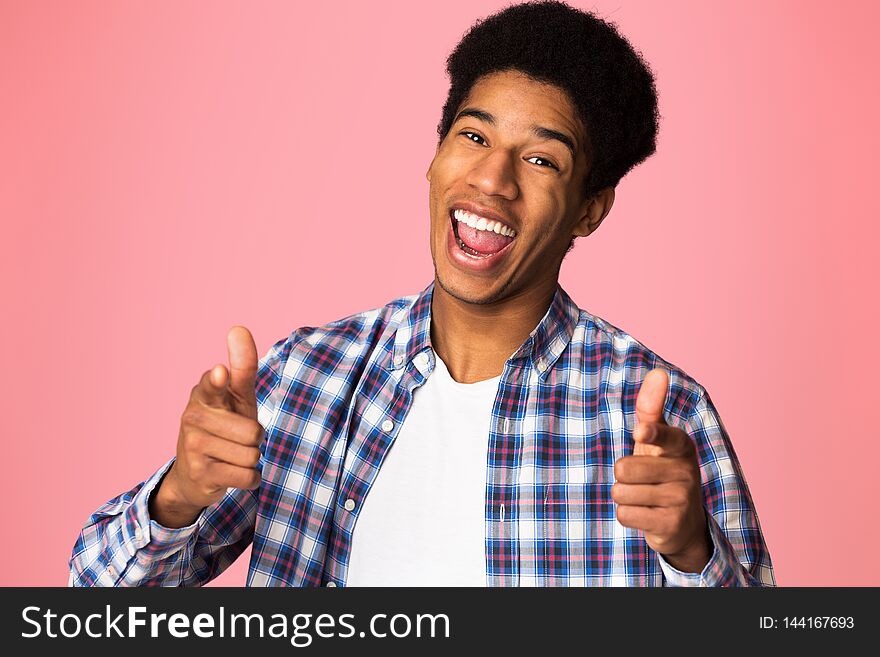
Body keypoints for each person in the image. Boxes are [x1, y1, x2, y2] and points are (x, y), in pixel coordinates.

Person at [69, 0, 774, 587]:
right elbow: (93, 597)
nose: (493, 179)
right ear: (435, 160)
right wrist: (177, 497)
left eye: (539, 159)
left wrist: (692, 554)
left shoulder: (661, 413)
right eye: (472, 135)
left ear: (589, 209)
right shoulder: (308, 377)